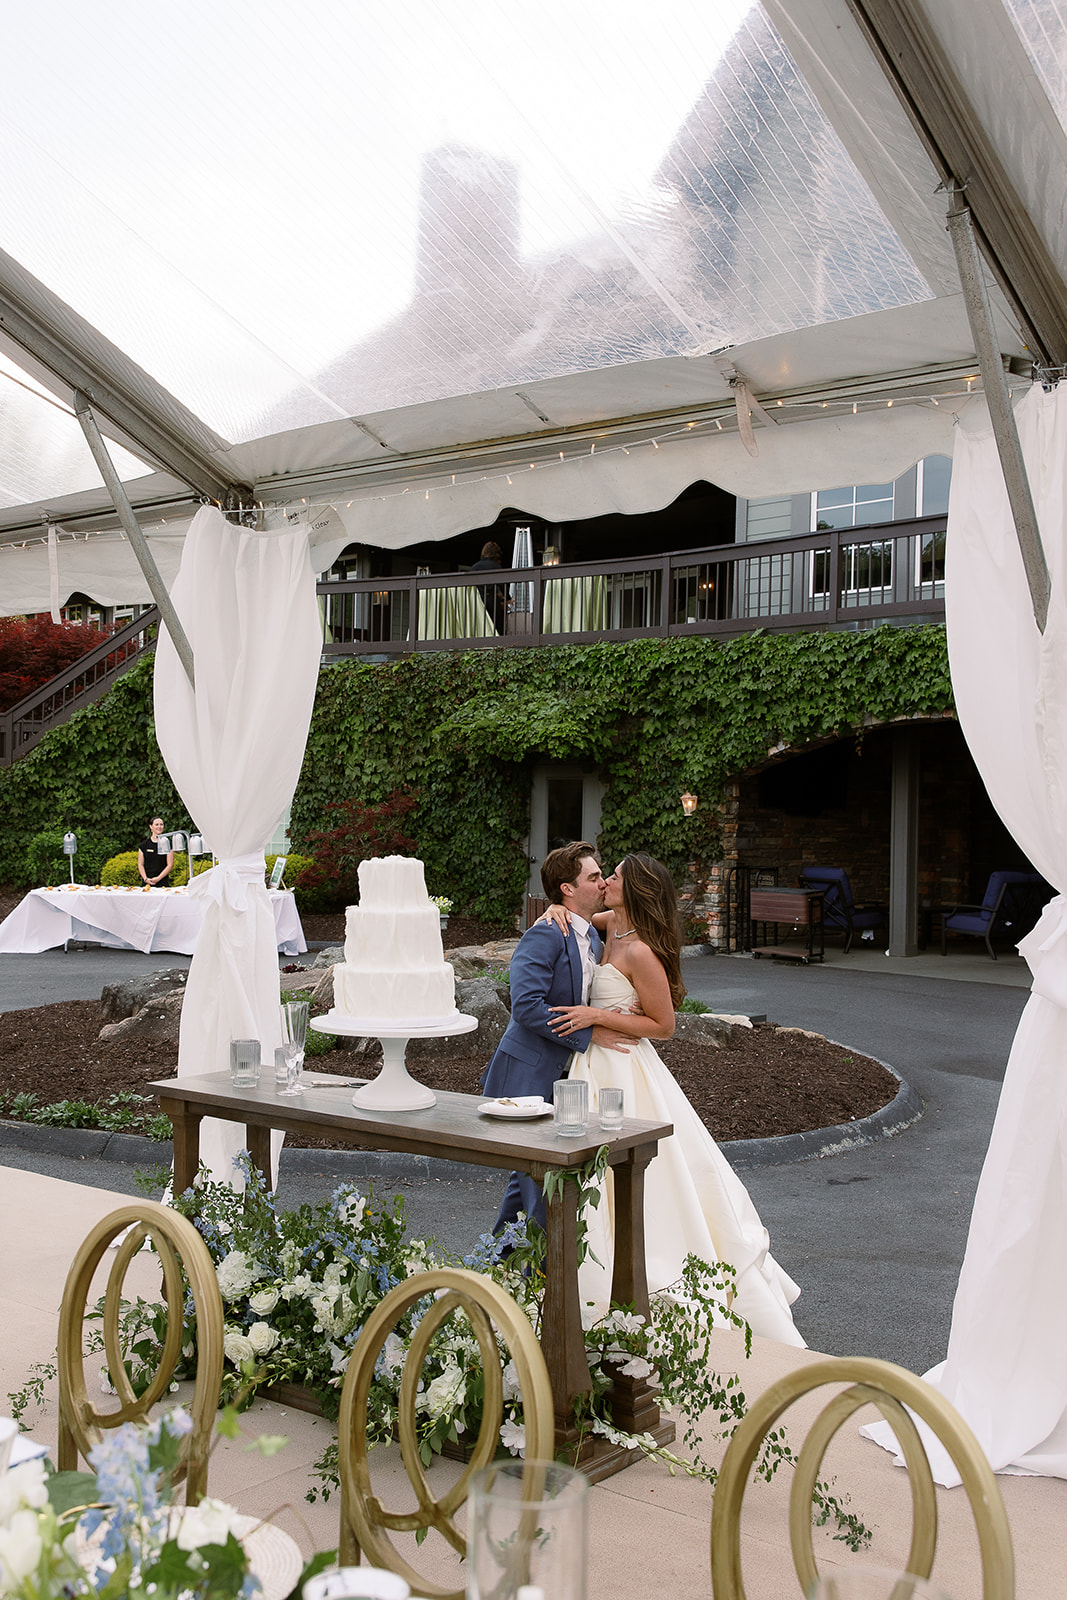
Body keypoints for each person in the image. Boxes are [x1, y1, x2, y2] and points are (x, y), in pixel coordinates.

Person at [542, 852, 806, 1347]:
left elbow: (663, 1026)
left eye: (613, 877)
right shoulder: (609, 921)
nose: (605, 882)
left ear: (633, 888)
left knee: (650, 1177)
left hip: (627, 1071)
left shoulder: (640, 950)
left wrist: (595, 1017)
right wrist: (555, 912)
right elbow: (573, 915)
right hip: (592, 1068)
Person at [482, 841, 630, 1231]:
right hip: (527, 1074)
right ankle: (542, 1280)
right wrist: (590, 1033)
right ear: (567, 888)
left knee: (529, 1181)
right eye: (594, 877)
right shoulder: (545, 933)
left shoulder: (591, 936)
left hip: (566, 1074)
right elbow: (526, 1006)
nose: (602, 883)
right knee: (541, 1184)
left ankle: (501, 1269)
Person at [469, 539, 507, 633]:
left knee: (481, 625)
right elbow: (503, 585)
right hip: (493, 600)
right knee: (497, 625)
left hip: (478, 600)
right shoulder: (496, 566)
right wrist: (507, 598)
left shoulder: (475, 567)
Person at [137, 817, 174, 886]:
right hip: (146, 883)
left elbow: (170, 865)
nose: (159, 827)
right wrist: (145, 879)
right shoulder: (144, 845)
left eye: (161, 824)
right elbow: (140, 864)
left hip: (162, 883)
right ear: (151, 827)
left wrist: (158, 878)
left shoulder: (167, 844)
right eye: (156, 824)